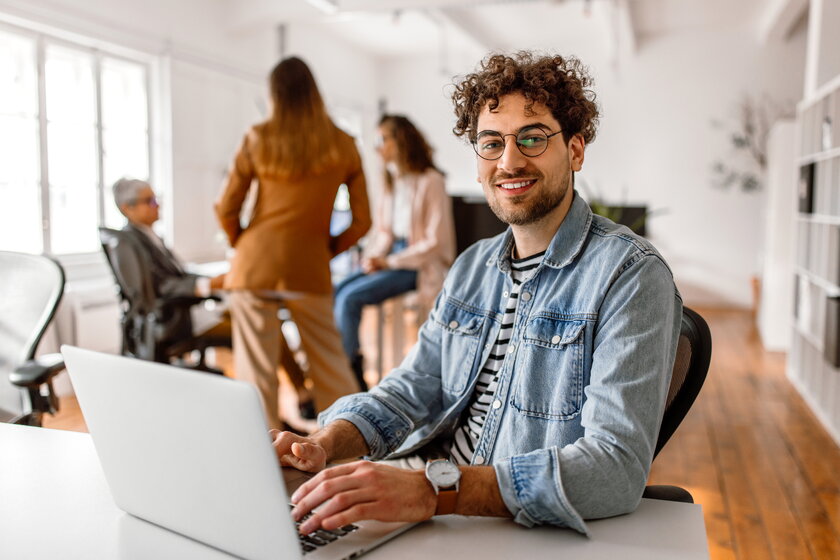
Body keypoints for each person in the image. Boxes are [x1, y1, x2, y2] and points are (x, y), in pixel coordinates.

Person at [272, 52, 682, 535]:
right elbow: (413, 388)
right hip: (427, 501)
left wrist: (435, 491)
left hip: (506, 523)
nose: (509, 161)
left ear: (574, 150)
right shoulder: (472, 267)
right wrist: (324, 444)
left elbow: (614, 467)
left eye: (532, 138)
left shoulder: (630, 275)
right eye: (491, 143)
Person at [215, 57, 371, 430]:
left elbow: (226, 207)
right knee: (331, 364)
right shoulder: (344, 143)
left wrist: (244, 245)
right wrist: (325, 248)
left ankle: (261, 458)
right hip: (309, 264)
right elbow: (363, 220)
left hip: (255, 264)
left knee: (256, 375)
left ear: (274, 95)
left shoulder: (257, 137)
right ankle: (348, 451)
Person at [112, 178, 314, 417]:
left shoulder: (147, 236)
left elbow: (174, 276)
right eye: (150, 201)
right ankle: (268, 413)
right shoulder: (130, 243)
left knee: (266, 319)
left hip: (190, 310)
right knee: (260, 326)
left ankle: (299, 392)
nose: (158, 205)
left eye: (157, 199)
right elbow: (160, 289)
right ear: (128, 208)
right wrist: (207, 285)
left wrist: (213, 281)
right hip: (177, 320)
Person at [333, 115, 456, 390]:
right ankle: (342, 361)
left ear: (400, 140)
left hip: (418, 265)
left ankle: (351, 373)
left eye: (382, 139)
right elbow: (385, 232)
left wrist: (387, 261)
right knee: (338, 288)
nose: (377, 147)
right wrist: (373, 259)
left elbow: (434, 243)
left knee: (350, 298)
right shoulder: (391, 180)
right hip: (392, 258)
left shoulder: (431, 181)